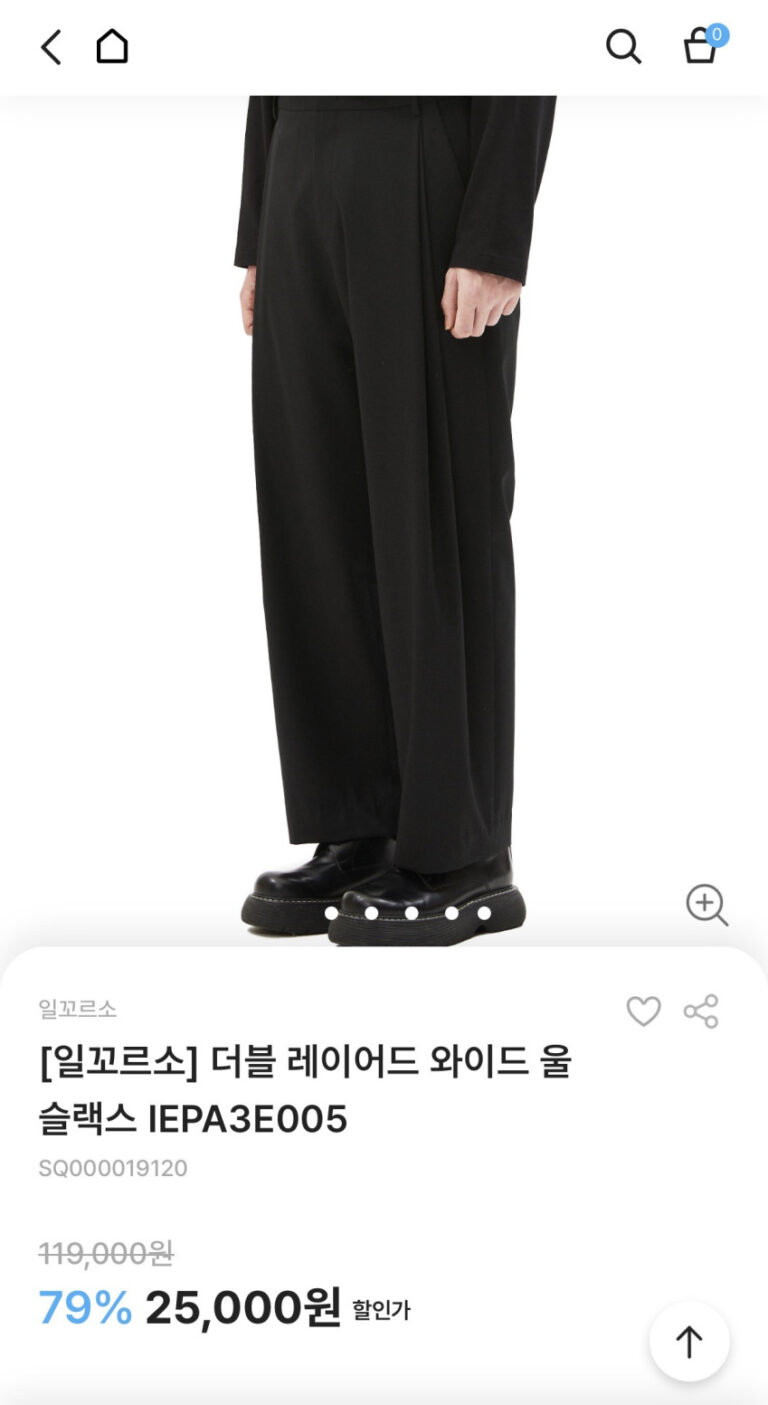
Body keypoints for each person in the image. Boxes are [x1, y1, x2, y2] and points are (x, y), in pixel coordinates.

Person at [235, 96, 555, 945]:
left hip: (427, 155)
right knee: (317, 511)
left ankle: (465, 849)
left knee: (437, 511)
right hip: (301, 157)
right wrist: (260, 225)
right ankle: (360, 823)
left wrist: (493, 237)